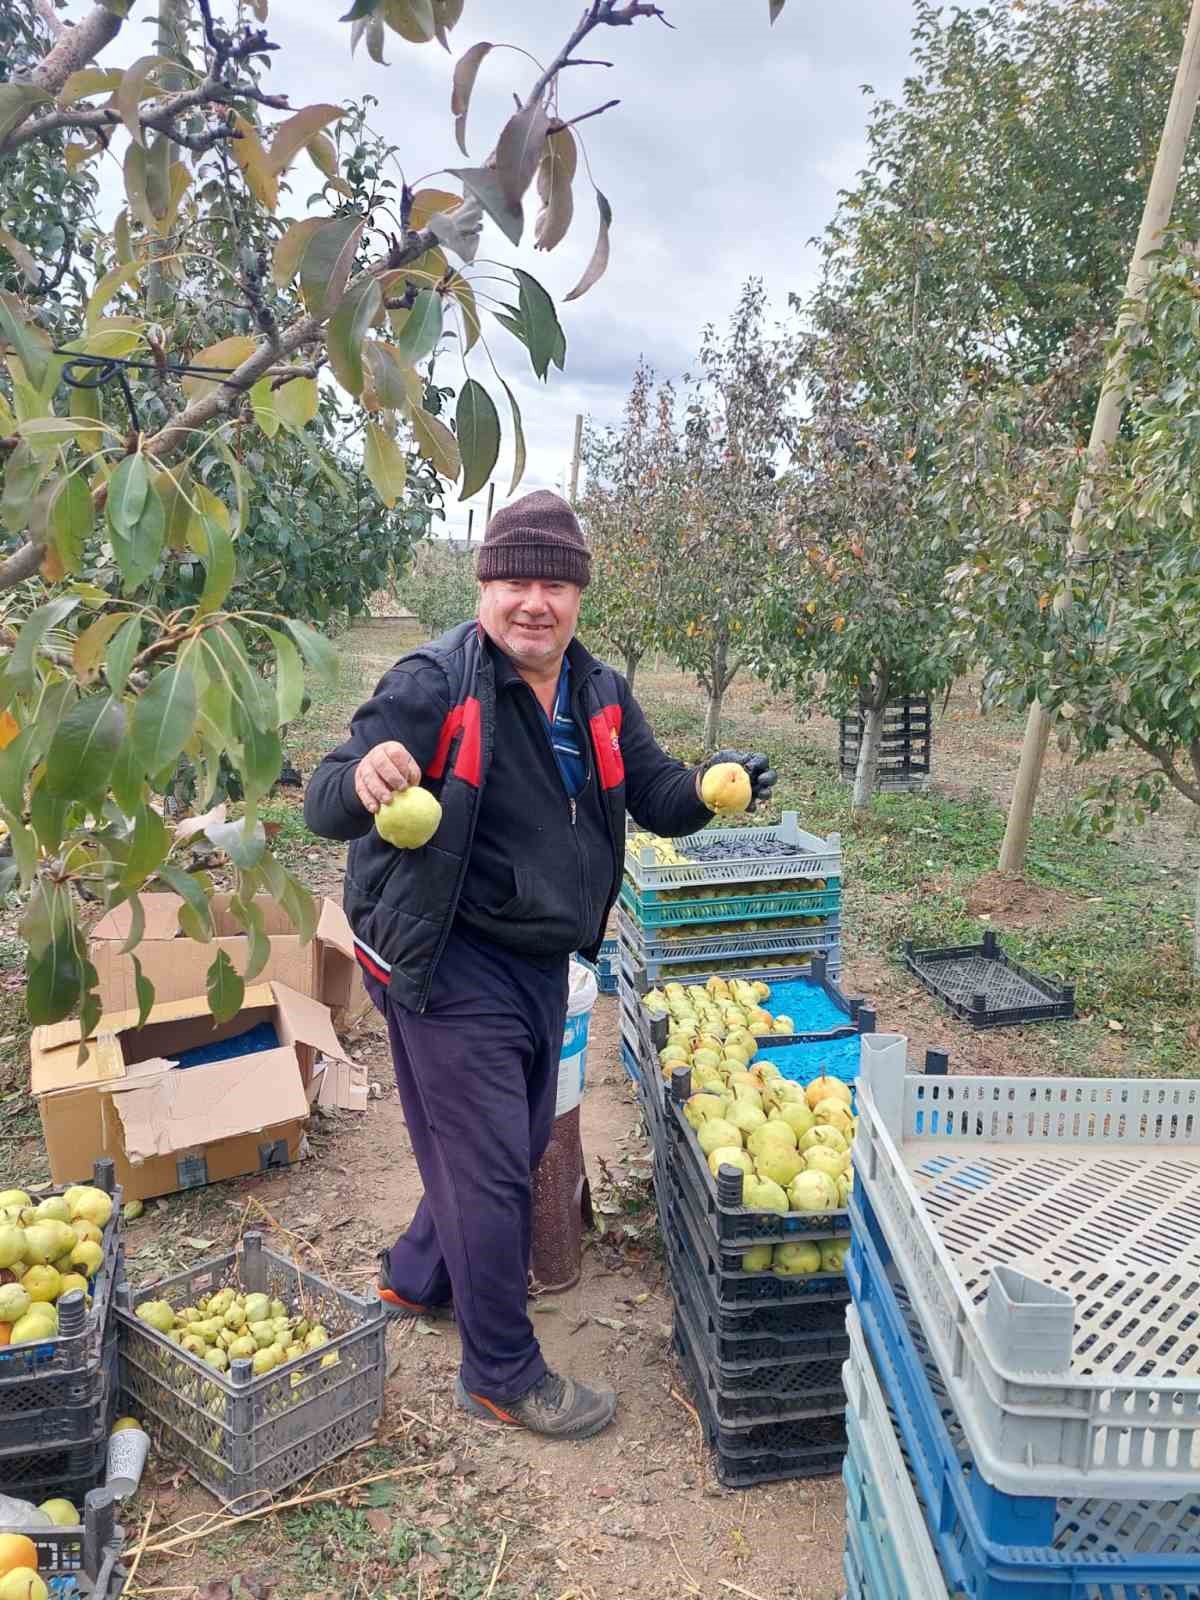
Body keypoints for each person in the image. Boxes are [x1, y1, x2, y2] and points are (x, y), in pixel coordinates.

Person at [304, 490, 776, 1441]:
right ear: (485, 585)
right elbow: (323, 796)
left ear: (578, 596)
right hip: (445, 955)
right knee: (488, 1166)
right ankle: (502, 1371)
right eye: (516, 579)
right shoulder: (433, 682)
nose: (535, 601)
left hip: (541, 954)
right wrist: (363, 781)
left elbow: (655, 794)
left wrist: (715, 788)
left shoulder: (598, 691)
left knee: (509, 1147)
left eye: (554, 583)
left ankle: (416, 1277)